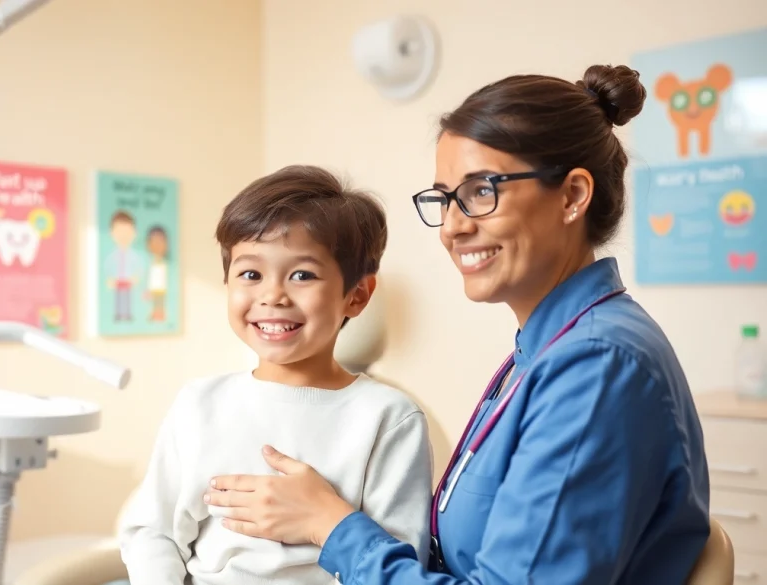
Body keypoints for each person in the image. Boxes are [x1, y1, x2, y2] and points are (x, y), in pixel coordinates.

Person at [204, 64, 711, 584]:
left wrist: (331, 526)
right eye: (445, 199)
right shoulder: (545, 350)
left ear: (572, 196)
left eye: (481, 191)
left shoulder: (597, 364)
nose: (452, 225)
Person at [118, 165, 434, 584]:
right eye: (251, 274)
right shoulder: (200, 404)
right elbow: (151, 532)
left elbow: (393, 563)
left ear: (356, 295)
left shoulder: (389, 418)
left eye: (302, 275)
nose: (272, 295)